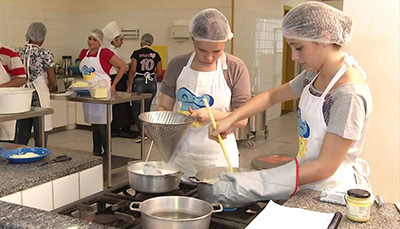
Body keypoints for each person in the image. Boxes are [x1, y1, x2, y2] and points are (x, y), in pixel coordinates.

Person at [210, 2, 373, 206]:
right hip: (303, 180)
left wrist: (258, 183)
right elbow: (270, 97)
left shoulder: (348, 94)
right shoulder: (314, 75)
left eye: (299, 48)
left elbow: (325, 166)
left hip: (330, 192)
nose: (294, 57)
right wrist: (231, 119)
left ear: (323, 37)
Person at [158, 8, 251, 178]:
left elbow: (243, 119)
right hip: (179, 154)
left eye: (217, 51)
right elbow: (164, 106)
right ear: (193, 40)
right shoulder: (178, 64)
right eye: (202, 50)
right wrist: (157, 125)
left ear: (225, 43)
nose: (209, 57)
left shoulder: (235, 68)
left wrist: (212, 115)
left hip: (218, 157)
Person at [78, 29, 126, 156]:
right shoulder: (84, 53)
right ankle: (96, 151)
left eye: (94, 39)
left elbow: (122, 66)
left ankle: (107, 152)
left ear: (100, 42)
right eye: (89, 38)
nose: (91, 42)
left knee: (102, 124)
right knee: (94, 124)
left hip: (102, 92)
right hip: (89, 92)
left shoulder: (105, 53)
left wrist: (113, 85)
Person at [15, 22, 56, 147]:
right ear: (42, 38)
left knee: (22, 131)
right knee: (41, 131)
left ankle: (19, 154)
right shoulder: (45, 53)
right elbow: (52, 79)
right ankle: (41, 155)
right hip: (39, 93)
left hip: (23, 93)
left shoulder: (17, 51)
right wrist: (51, 88)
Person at [102, 21, 135, 138]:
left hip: (114, 78)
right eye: (121, 40)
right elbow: (121, 67)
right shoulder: (112, 52)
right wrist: (130, 66)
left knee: (117, 105)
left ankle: (115, 127)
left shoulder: (112, 51)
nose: (122, 42)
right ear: (115, 40)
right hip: (117, 79)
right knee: (120, 105)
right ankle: (120, 128)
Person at [127, 33, 162, 143]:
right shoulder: (156, 55)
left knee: (136, 110)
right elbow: (160, 72)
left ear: (141, 42)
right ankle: (147, 132)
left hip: (139, 82)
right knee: (146, 109)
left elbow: (132, 71)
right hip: (151, 83)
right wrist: (151, 76)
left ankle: (142, 134)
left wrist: (129, 86)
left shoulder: (136, 53)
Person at [0, 41, 27, 141]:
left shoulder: (9, 54)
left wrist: (1, 88)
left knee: (6, 145)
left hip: (6, 105)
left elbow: (21, 78)